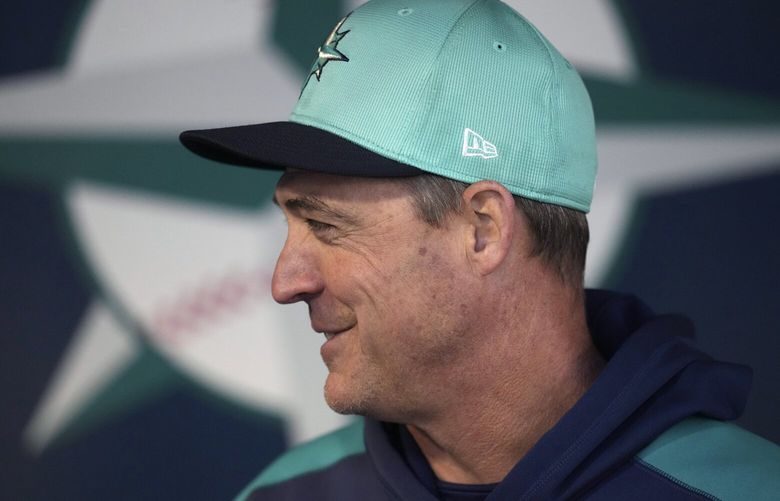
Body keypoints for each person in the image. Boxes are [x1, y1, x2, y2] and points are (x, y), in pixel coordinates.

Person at [180, 0, 780, 499]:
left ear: (483, 230)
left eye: (328, 227)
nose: (285, 281)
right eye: (290, 221)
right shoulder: (283, 494)